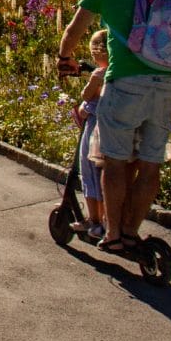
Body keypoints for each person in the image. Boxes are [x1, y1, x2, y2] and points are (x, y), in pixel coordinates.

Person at [58, 0, 171, 254]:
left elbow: (73, 30)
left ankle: (112, 233)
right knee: (150, 164)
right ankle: (130, 232)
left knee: (114, 161)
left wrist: (65, 58)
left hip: (126, 82)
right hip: (165, 83)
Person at [71, 29, 111, 240]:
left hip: (94, 127)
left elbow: (86, 95)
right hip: (112, 128)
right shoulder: (119, 74)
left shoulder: (98, 75)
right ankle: (107, 220)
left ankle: (94, 220)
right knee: (105, 174)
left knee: (89, 171)